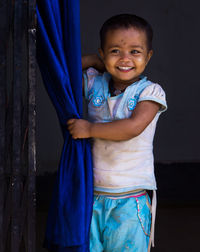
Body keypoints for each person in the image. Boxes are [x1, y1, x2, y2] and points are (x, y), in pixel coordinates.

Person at [67, 14, 167, 252]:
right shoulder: (95, 84)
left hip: (130, 200)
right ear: (102, 54)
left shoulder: (150, 91)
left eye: (135, 51)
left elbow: (132, 127)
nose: (125, 59)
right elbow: (65, 71)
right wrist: (94, 60)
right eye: (115, 51)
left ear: (148, 56)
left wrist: (89, 129)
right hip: (92, 195)